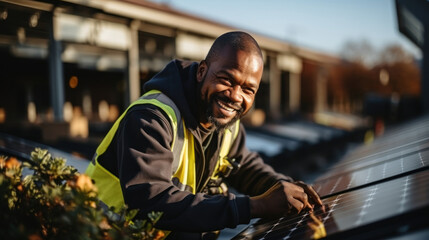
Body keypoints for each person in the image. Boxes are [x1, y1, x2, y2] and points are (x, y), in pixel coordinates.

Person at [85, 31, 323, 239]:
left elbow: (244, 166)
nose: (235, 96)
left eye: (248, 89)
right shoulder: (151, 118)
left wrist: (282, 189)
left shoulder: (226, 124)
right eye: (226, 79)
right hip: (101, 233)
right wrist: (254, 207)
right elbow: (151, 201)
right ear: (202, 72)